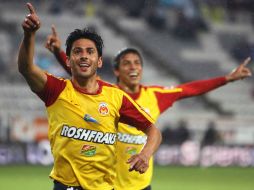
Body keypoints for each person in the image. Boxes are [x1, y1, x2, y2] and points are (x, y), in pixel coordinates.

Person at [45, 26, 252, 190]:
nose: (133, 67)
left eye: (137, 63)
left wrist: (227, 78)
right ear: (116, 70)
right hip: (111, 184)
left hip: (142, 185)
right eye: (127, 64)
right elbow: (79, 71)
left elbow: (190, 89)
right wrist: (57, 52)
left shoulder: (155, 96)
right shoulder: (109, 95)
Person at [18, 3, 162, 190]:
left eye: (90, 51)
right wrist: (29, 35)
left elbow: (153, 131)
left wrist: (145, 154)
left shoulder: (115, 97)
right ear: (68, 61)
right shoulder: (56, 89)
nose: (84, 56)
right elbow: (26, 68)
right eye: (77, 51)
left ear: (99, 61)